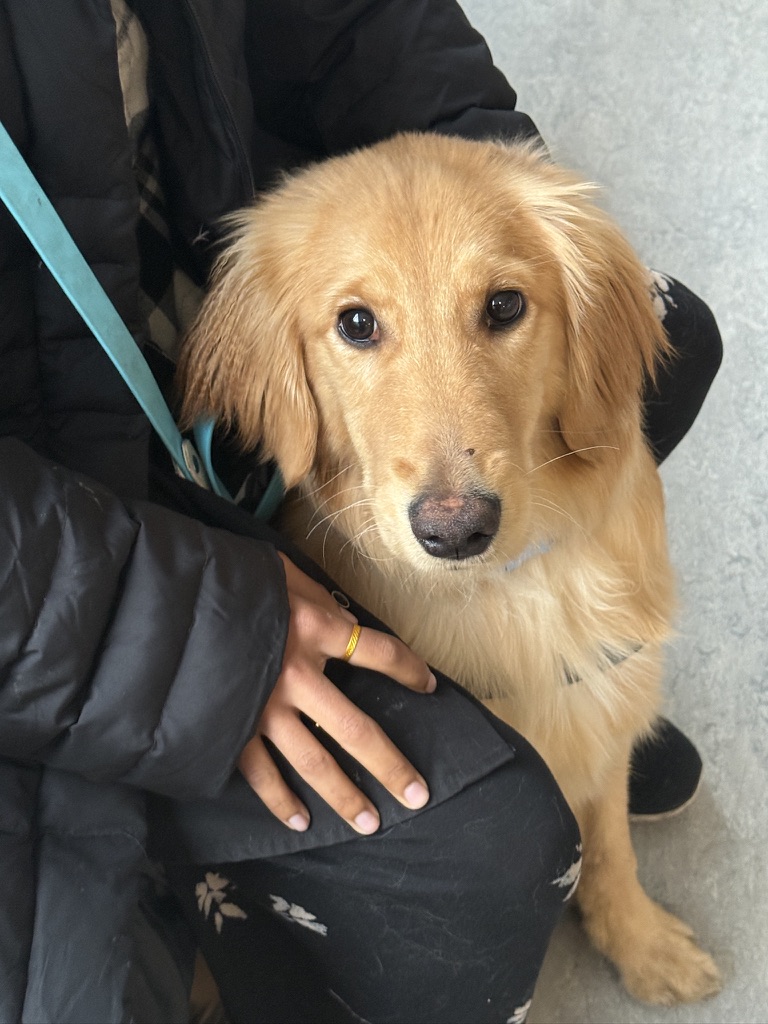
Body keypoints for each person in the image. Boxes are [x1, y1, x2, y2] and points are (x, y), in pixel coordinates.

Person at [0, 1, 721, 1021]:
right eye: (357, 325)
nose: (455, 493)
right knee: (488, 842)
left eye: (502, 308)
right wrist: (169, 634)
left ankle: (597, 836)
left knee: (678, 340)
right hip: (45, 548)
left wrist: (491, 184)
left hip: (151, 298)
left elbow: (365, 18)